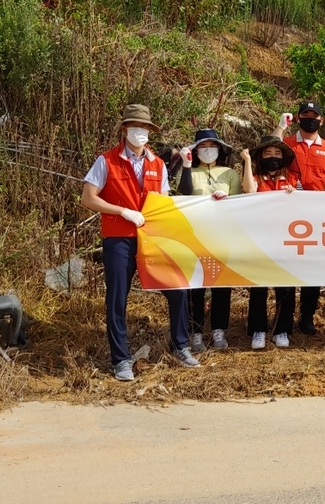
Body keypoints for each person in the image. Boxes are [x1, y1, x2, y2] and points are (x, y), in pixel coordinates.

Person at [81, 104, 199, 381]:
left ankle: (180, 346)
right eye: (135, 126)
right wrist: (121, 211)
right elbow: (88, 198)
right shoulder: (106, 161)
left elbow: (163, 201)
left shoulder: (157, 164)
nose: (140, 131)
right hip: (118, 238)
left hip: (151, 237)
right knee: (117, 298)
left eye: (145, 127)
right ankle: (121, 359)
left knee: (177, 289)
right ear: (124, 129)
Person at [274, 101, 325, 337]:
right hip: (287, 215)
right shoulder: (288, 144)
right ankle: (284, 319)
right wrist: (280, 128)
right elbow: (269, 150)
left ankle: (307, 317)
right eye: (305, 115)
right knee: (287, 266)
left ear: (321, 121)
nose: (310, 119)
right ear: (299, 118)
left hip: (317, 217)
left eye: (315, 116)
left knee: (312, 268)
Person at [177, 128, 241, 352]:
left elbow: (239, 204)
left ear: (219, 149)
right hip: (194, 236)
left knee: (221, 285)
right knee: (196, 286)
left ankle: (219, 331)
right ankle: (195, 333)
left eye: (211, 147)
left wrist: (227, 199)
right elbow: (182, 195)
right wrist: (185, 165)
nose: (207, 151)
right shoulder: (189, 172)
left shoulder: (230, 174)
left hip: (222, 237)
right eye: (202, 147)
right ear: (195, 151)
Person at [241, 136, 298, 350]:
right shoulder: (255, 177)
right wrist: (247, 160)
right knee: (259, 286)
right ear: (260, 158)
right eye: (268, 154)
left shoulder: (291, 179)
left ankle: (282, 329)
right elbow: (249, 190)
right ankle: (258, 330)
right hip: (260, 241)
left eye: (277, 154)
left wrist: (294, 194)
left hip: (286, 240)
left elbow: (303, 205)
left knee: (285, 287)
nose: (273, 158)